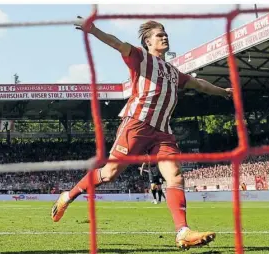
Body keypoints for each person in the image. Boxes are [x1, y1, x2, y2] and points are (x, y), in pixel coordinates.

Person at [52, 16, 232, 250]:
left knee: (175, 176)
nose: (164, 36)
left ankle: (183, 232)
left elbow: (200, 85)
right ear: (148, 42)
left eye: (165, 33)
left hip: (162, 131)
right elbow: (117, 43)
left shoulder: (175, 73)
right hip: (137, 124)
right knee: (109, 174)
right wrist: (94, 30)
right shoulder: (140, 57)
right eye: (159, 34)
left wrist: (223, 92)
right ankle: (69, 195)